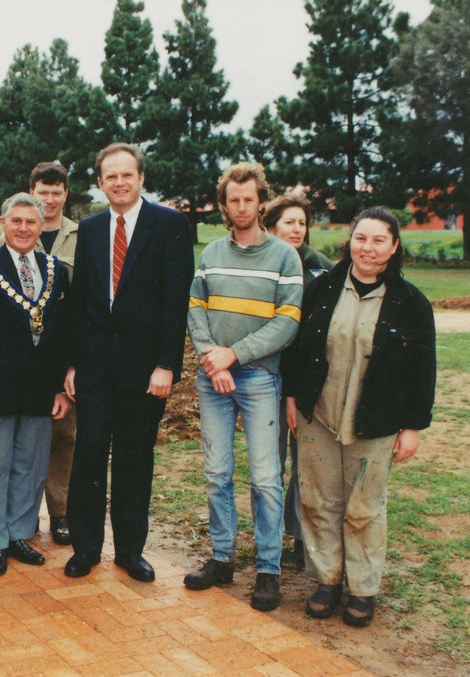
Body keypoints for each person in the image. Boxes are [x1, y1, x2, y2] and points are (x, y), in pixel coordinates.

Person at [283, 207, 435, 627]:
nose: (368, 248)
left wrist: (412, 427)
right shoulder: (323, 288)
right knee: (317, 500)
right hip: (319, 415)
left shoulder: (411, 303)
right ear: (349, 241)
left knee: (364, 507)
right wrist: (293, 397)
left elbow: (423, 371)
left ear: (394, 246)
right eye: (360, 238)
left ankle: (363, 590)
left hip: (377, 422)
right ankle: (328, 580)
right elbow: (297, 348)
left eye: (378, 240)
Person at [62, 142, 193, 583]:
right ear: (100, 183)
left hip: (145, 371)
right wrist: (74, 364)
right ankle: (85, 549)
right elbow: (81, 302)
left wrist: (166, 365)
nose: (119, 182)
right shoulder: (92, 228)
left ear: (141, 178)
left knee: (135, 460)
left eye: (127, 174)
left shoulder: (170, 225)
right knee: (89, 456)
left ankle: (130, 551)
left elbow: (176, 303)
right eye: (110, 176)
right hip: (96, 367)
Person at [185, 162, 302, 611]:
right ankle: (222, 558)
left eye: (248, 199)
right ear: (224, 204)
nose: (240, 207)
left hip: (258, 378)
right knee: (217, 474)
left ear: (261, 202)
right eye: (233, 200)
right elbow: (196, 308)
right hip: (213, 376)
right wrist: (214, 359)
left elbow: (287, 322)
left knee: (266, 478)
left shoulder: (284, 257)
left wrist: (234, 355)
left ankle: (268, 570)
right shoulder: (211, 253)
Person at [0, 193, 72, 576]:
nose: (24, 228)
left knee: (31, 465)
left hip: (39, 390)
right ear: (2, 224)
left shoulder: (55, 268)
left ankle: (19, 535)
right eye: (16, 221)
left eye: (31, 222)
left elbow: (59, 336)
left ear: (42, 226)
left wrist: (59, 388)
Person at [0, 161, 79, 545]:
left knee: (63, 436)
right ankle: (20, 517)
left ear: (65, 194)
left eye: (56, 192)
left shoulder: (82, 235)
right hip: (17, 359)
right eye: (42, 192)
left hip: (61, 349)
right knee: (19, 441)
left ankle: (60, 512)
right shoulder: (15, 234)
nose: (49, 199)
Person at [261, 192, 334, 566]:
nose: (297, 229)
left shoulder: (320, 267)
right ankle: (267, 536)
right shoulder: (262, 261)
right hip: (265, 376)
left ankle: (301, 537)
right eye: (288, 222)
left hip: (304, 383)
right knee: (269, 464)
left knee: (305, 462)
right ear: (271, 227)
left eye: (302, 222)